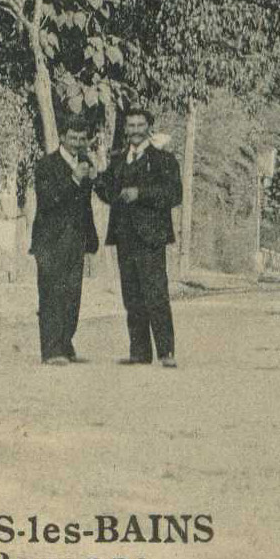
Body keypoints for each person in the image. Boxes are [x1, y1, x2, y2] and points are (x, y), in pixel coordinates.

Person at [94, 106, 184, 367]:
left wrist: (140, 193)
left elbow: (173, 194)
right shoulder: (118, 160)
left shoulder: (164, 161)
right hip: (124, 236)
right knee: (131, 295)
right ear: (125, 129)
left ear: (148, 127)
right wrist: (96, 180)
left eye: (139, 125)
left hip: (151, 237)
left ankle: (166, 352)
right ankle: (139, 352)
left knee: (155, 293)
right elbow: (107, 192)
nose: (135, 130)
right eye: (130, 126)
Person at [29, 118, 101, 365]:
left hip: (75, 240)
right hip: (49, 240)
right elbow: (49, 201)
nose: (77, 143)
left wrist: (91, 238)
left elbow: (87, 206)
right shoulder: (46, 165)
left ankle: (66, 345)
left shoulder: (85, 162)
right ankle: (51, 351)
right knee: (51, 294)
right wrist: (74, 180)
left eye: (82, 139)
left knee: (72, 295)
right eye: (73, 138)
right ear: (62, 137)